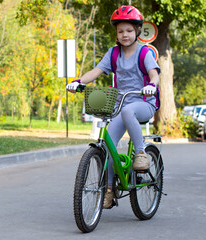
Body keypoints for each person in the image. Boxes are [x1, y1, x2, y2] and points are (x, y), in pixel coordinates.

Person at [66, 5, 160, 208]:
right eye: (120, 31)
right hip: (122, 105)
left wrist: (151, 86)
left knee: (128, 111)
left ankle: (141, 154)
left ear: (137, 31)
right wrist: (79, 81)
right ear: (116, 34)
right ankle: (109, 190)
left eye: (128, 30)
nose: (124, 34)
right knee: (109, 149)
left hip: (144, 103)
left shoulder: (144, 53)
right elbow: (97, 71)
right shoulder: (113, 53)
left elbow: (154, 74)